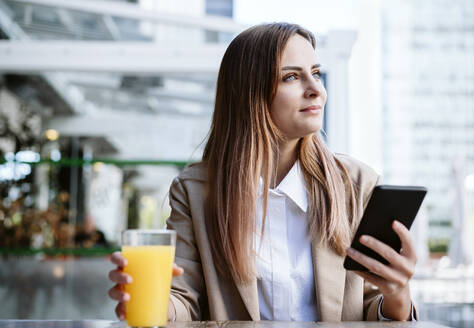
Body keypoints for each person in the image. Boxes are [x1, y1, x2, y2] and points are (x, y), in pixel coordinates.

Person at [108, 22, 418, 322]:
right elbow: (183, 298)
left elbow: (373, 306)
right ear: (249, 93)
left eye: (316, 73)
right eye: (291, 77)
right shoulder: (196, 192)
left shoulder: (357, 184)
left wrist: (398, 294)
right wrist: (152, 302)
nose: (316, 91)